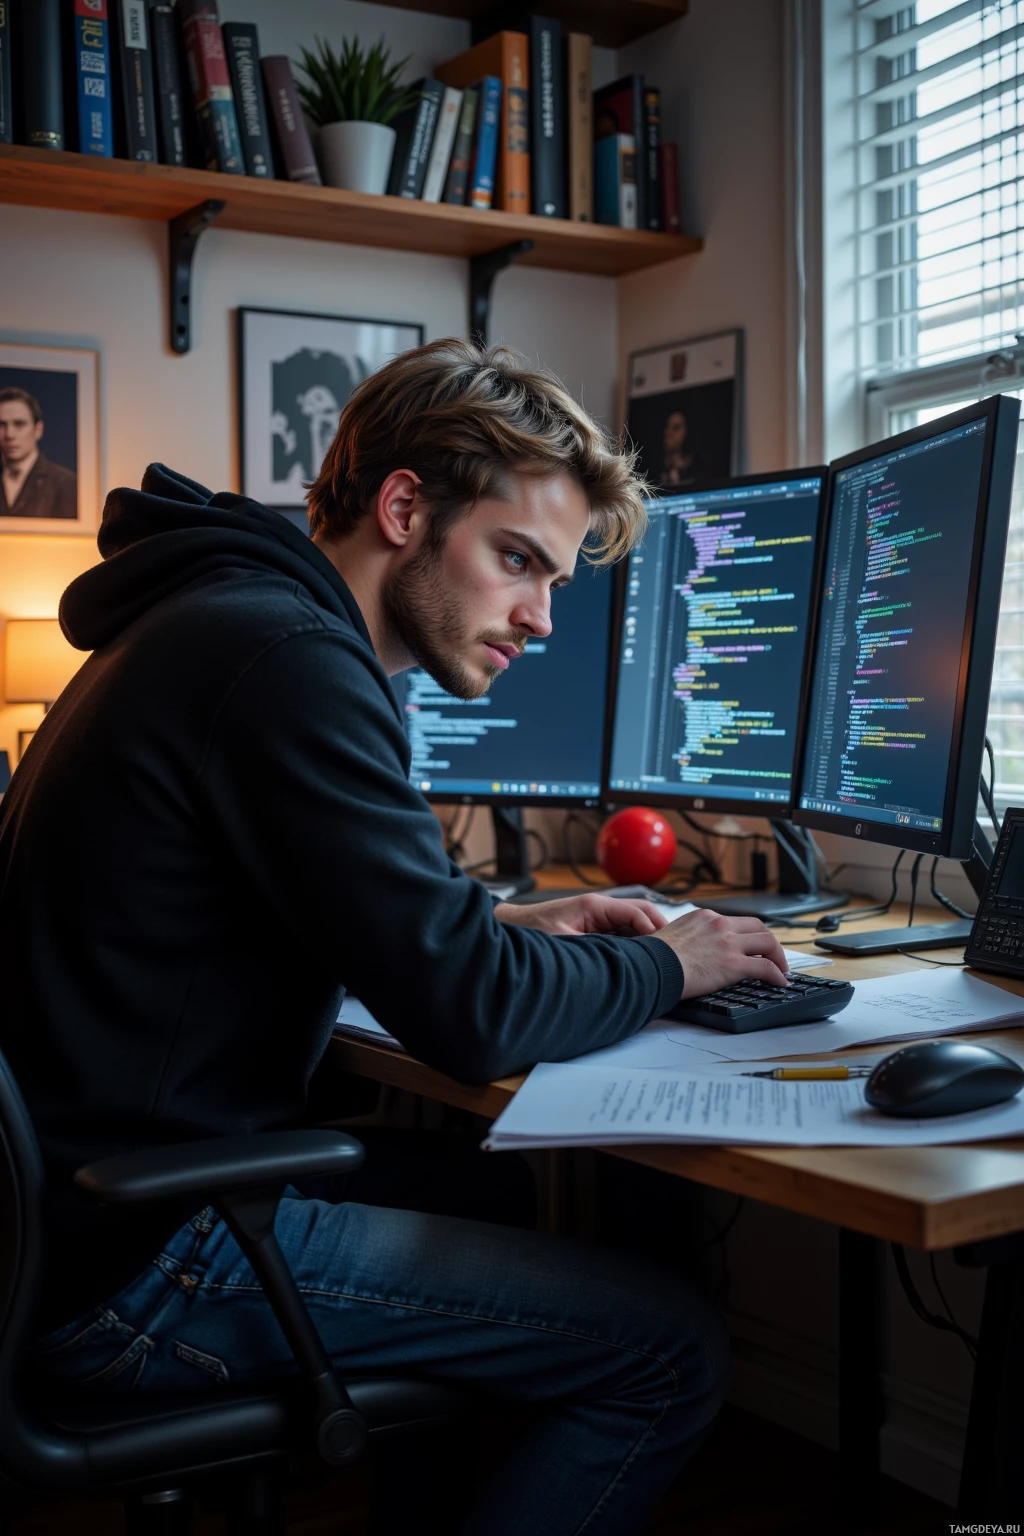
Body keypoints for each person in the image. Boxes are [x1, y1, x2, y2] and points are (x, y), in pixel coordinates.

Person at [0, 340, 788, 1535]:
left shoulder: (223, 617)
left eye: (557, 579)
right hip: (138, 1263)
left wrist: (515, 919)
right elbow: (469, 1016)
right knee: (669, 1352)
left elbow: (333, 917)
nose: (539, 616)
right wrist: (669, 960)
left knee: (501, 1200)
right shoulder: (287, 659)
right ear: (405, 506)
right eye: (516, 559)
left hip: (75, 1214)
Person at [0, 386, 78, 519]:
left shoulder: (67, 483)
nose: (9, 435)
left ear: (38, 430)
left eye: (19, 424)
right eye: (1, 425)